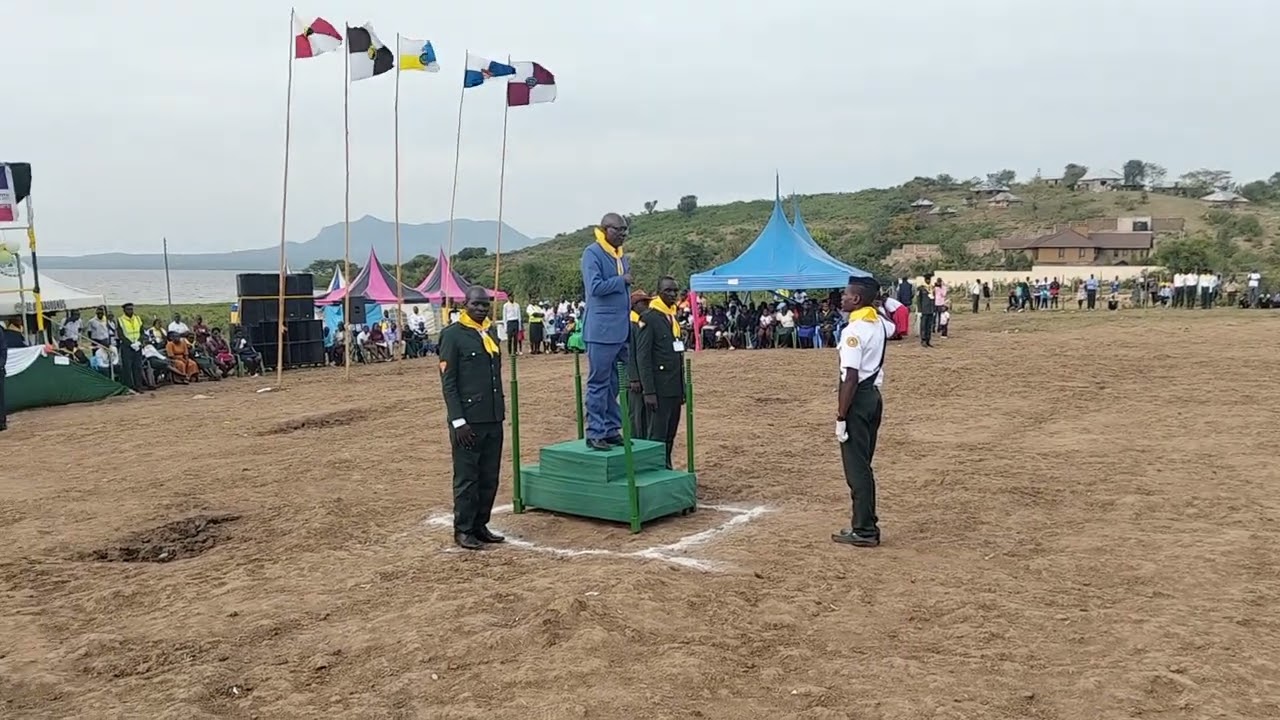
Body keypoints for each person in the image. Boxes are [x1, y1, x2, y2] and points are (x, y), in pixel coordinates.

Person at [437, 286, 507, 551]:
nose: (480, 309)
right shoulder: (453, 336)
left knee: (489, 475)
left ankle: (480, 524)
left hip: (492, 416)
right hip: (468, 420)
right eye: (475, 304)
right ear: (464, 304)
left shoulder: (489, 333)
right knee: (467, 477)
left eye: (485, 305)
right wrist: (457, 421)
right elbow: (449, 383)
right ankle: (464, 529)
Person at [833, 275, 894, 548]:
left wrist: (841, 416)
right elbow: (891, 323)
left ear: (856, 299)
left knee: (856, 468)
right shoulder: (879, 323)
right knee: (864, 464)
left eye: (846, 294)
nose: (842, 298)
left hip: (857, 399)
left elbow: (850, 378)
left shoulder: (853, 331)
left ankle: (865, 529)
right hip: (874, 398)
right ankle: (867, 521)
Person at [580, 212, 632, 451]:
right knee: (598, 382)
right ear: (605, 229)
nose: (623, 234)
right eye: (619, 230)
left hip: (620, 330)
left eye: (625, 230)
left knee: (613, 383)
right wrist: (621, 281)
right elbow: (595, 287)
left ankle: (611, 429)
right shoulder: (593, 253)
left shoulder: (622, 257)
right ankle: (595, 432)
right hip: (600, 331)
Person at [636, 277, 686, 469]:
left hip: (674, 387)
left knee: (670, 433)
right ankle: (652, 469)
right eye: (668, 291)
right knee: (657, 434)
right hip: (658, 388)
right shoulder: (649, 318)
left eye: (675, 291)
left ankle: (666, 466)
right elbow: (644, 357)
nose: (673, 295)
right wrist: (648, 391)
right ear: (658, 292)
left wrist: (682, 390)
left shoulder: (672, 317)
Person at [626, 289, 651, 441]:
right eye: (644, 302)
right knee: (635, 414)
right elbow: (628, 353)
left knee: (642, 414)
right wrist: (633, 377)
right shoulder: (630, 324)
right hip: (633, 379)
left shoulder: (639, 321)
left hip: (642, 377)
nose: (648, 305)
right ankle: (634, 441)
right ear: (635, 304)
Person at [117, 303, 145, 390]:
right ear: (124, 310)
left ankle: (138, 386)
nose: (130, 311)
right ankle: (129, 387)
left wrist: (139, 342)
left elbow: (142, 332)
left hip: (137, 346)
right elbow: (120, 334)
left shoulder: (137, 318)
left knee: (138, 367)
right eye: (128, 309)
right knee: (127, 368)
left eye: (131, 309)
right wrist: (130, 344)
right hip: (127, 347)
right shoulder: (120, 320)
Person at [916, 274, 935, 348]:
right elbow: (918, 300)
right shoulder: (920, 288)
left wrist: (933, 309)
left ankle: (928, 340)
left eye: (929, 279)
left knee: (929, 326)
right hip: (924, 310)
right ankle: (923, 340)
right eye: (927, 279)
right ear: (924, 280)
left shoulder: (932, 288)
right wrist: (919, 310)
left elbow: (934, 299)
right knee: (923, 326)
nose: (928, 281)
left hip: (930, 310)